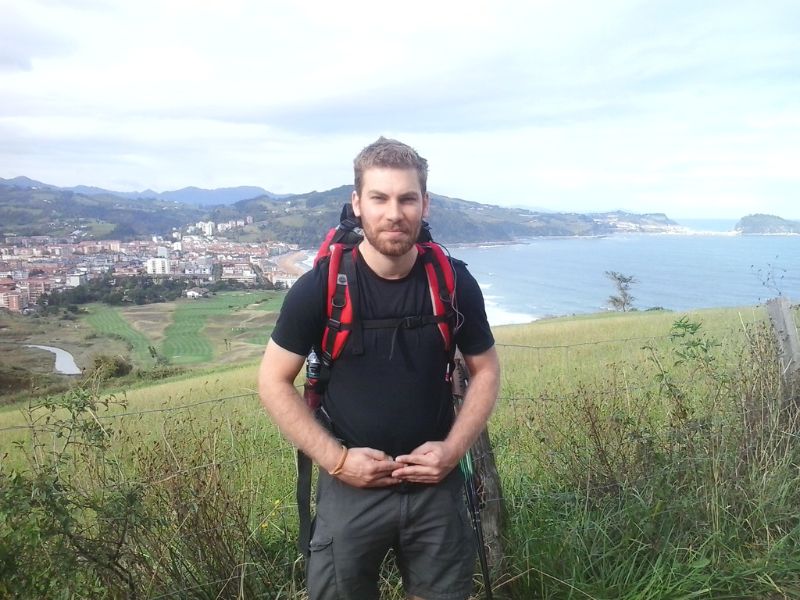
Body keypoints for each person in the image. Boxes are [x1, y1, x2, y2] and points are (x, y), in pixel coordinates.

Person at [258, 137, 500, 600]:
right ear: (357, 203)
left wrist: (452, 451)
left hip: (436, 485)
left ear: (424, 203)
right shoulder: (319, 289)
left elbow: (486, 370)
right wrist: (338, 461)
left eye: (407, 198)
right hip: (351, 485)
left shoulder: (453, 281)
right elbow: (272, 381)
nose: (395, 213)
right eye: (380, 198)